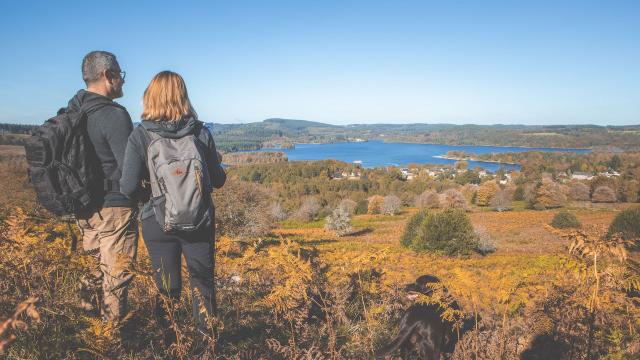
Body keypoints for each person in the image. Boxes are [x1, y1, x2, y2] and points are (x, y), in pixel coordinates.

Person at [120, 71, 226, 332]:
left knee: (167, 287)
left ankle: (169, 343)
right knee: (202, 286)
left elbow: (127, 187)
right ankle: (207, 346)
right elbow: (218, 180)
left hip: (156, 221)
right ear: (183, 95)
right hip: (200, 220)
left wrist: (152, 197)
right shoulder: (200, 132)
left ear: (149, 97)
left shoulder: (141, 135)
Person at [69, 51, 138, 323]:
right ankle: (112, 341)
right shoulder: (114, 115)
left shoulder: (74, 110)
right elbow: (129, 170)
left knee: (91, 272)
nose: (122, 80)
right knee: (116, 276)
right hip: (115, 207)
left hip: (84, 206)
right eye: (120, 74)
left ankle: (87, 334)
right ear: (108, 76)